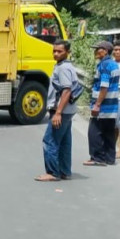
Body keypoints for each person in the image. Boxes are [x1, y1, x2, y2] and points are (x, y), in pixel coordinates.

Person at [37, 40, 79, 182]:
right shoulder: (66, 66)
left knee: (50, 141)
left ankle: (53, 172)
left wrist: (58, 113)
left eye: (59, 51)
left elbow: (66, 90)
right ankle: (64, 171)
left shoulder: (63, 69)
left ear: (67, 52)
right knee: (65, 141)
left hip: (62, 110)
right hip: (68, 110)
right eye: (54, 51)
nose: (56, 54)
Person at [85, 41, 120, 166]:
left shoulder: (104, 65)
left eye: (98, 49)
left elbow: (104, 86)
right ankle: (110, 158)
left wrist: (97, 104)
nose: (96, 52)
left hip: (104, 106)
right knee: (109, 132)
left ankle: (97, 158)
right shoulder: (114, 64)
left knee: (94, 131)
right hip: (112, 105)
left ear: (105, 51)